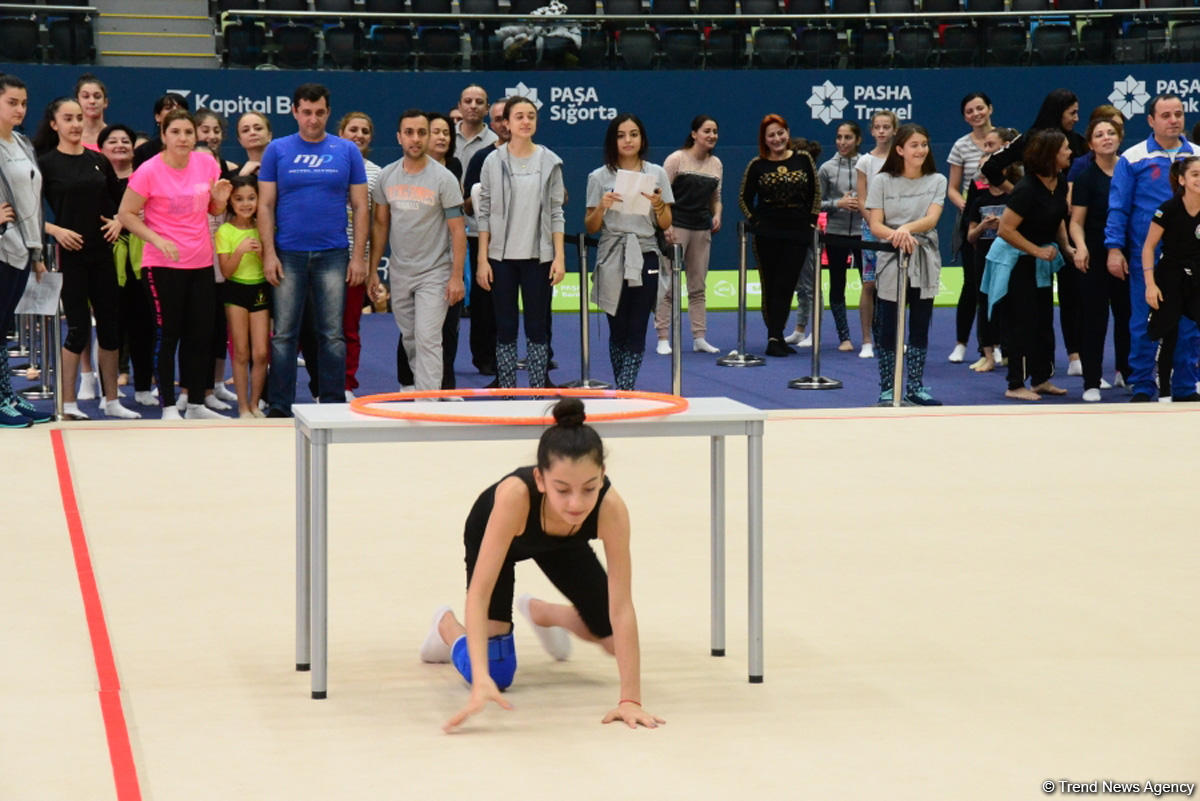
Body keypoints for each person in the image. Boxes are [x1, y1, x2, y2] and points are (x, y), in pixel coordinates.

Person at [421, 397, 665, 733]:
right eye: (562, 489)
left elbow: (621, 607)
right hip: (501, 536)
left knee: (609, 637)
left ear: (602, 476)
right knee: (497, 674)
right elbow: (479, 594)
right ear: (540, 479)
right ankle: (446, 627)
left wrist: (630, 700)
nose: (576, 503)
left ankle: (544, 614)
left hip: (563, 541)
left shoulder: (611, 508)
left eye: (589, 488)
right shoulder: (514, 497)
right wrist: (480, 679)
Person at [258, 83, 368, 417]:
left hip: (333, 253)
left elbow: (362, 206)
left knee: (332, 334)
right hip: (288, 252)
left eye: (319, 112)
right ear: (294, 112)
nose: (313, 119)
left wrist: (359, 256)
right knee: (284, 335)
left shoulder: (347, 151)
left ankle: (332, 402)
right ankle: (279, 404)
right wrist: (268, 253)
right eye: (306, 112)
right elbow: (265, 205)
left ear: (328, 112)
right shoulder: (277, 150)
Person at [117, 109, 233, 420]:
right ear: (164, 136)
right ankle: (169, 405)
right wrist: (156, 240)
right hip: (162, 264)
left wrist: (220, 201)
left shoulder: (207, 163)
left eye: (188, 132)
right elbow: (126, 214)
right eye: (176, 132)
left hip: (200, 262)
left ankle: (195, 403)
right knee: (168, 335)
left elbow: (212, 208)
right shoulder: (149, 170)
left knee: (201, 334)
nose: (183, 138)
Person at [34, 97, 139, 420]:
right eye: (68, 119)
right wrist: (55, 230)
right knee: (78, 329)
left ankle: (111, 400)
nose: (76, 124)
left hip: (103, 254)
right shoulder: (46, 163)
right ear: (55, 125)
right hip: (70, 256)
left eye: (79, 118)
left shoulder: (99, 160)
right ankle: (67, 404)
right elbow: (30, 211)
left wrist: (119, 221)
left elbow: (120, 202)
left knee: (109, 327)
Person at [1104, 92, 1200, 402]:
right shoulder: (1132, 158)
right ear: (1151, 120)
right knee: (1145, 319)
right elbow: (1118, 207)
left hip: (1191, 257)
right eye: (1166, 115)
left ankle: (1186, 385)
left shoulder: (1197, 157)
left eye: (1179, 114)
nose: (1174, 120)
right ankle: (1143, 385)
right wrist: (1114, 248)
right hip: (1148, 255)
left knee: (1190, 322)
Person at [368, 109, 466, 393]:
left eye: (422, 132)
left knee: (428, 337)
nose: (416, 139)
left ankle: (428, 401)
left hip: (435, 272)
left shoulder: (444, 178)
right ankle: (421, 388)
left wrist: (456, 276)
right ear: (399, 137)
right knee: (410, 337)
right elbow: (380, 226)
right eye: (409, 133)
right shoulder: (387, 177)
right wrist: (374, 270)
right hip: (400, 271)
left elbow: (458, 230)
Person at [476, 96, 565, 389]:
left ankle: (540, 381)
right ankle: (505, 382)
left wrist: (559, 257)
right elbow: (484, 212)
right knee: (505, 325)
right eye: (519, 116)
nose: (526, 121)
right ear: (507, 123)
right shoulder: (492, 160)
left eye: (531, 116)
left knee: (538, 325)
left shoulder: (550, 161)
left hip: (538, 257)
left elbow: (556, 211)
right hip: (500, 258)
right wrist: (482, 260)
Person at [584, 113, 673, 390]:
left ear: (642, 138)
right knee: (617, 327)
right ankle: (623, 385)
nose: (628, 140)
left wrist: (658, 204)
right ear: (613, 140)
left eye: (633, 134)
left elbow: (667, 221)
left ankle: (625, 388)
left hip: (646, 252)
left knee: (638, 326)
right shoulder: (598, 176)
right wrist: (602, 206)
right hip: (612, 254)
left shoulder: (656, 173)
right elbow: (591, 226)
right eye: (621, 135)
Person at [988, 129, 1074, 401]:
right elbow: (1005, 230)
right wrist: (1036, 250)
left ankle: (1040, 379)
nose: (1070, 152)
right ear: (1051, 156)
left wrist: (1067, 247)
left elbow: (1058, 217)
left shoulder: (1059, 182)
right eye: (1065, 149)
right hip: (1015, 261)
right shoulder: (1026, 189)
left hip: (1040, 260)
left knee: (1043, 321)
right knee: (1021, 323)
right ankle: (1015, 384)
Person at [866, 123, 946, 406]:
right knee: (889, 326)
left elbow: (932, 219)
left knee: (920, 325)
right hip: (891, 258)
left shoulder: (937, 179)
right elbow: (876, 224)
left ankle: (915, 386)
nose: (921, 150)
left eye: (924, 144)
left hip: (924, 258)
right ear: (900, 149)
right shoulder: (882, 181)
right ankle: (888, 388)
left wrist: (906, 229)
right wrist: (897, 236)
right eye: (914, 145)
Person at [738, 113, 819, 357]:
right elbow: (743, 198)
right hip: (767, 235)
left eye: (780, 133)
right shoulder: (757, 164)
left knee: (787, 284)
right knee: (770, 285)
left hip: (798, 232)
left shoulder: (803, 159)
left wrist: (812, 223)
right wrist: (756, 221)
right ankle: (774, 336)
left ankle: (777, 334)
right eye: (771, 135)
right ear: (764, 139)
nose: (777, 138)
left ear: (788, 132)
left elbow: (816, 193)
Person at [0, 75, 52, 428]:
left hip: (22, 247)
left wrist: (36, 251)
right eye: (12, 102)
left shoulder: (22, 143)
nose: (20, 109)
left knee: (3, 328)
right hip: (1, 244)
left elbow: (33, 199)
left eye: (23, 103)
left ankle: (7, 396)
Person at [1069, 117, 1132, 401]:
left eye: (1111, 133)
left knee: (1128, 316)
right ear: (1091, 143)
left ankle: (1126, 372)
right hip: (1094, 253)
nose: (1106, 137)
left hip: (1128, 253)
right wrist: (1080, 247)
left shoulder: (1131, 171)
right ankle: (1092, 381)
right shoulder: (1085, 178)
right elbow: (1076, 222)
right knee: (1094, 318)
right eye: (1099, 134)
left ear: (1119, 138)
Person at [99, 122, 157, 405]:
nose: (120, 145)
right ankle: (107, 391)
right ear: (101, 148)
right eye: (113, 141)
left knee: (143, 326)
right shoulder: (96, 179)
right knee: (110, 328)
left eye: (125, 140)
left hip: (143, 261)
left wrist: (124, 221)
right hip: (107, 262)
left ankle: (144, 387)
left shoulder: (145, 179)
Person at [657, 114, 722, 355]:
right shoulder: (676, 159)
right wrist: (666, 226)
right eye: (707, 131)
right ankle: (663, 337)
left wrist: (717, 214)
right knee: (668, 285)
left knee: (698, 286)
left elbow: (716, 198)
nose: (712, 135)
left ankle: (699, 337)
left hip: (701, 229)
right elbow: (659, 196)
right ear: (694, 134)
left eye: (715, 131)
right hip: (676, 227)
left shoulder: (717, 164)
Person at [963, 126, 1020, 374]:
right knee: (984, 303)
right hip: (983, 258)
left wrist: (1004, 227)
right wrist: (984, 226)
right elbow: (970, 235)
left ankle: (1010, 352)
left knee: (1009, 305)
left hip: (1010, 257)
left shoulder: (1015, 196)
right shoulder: (978, 200)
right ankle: (987, 354)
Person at [336, 110, 383, 400]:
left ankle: (346, 383)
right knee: (318, 329)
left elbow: (378, 223)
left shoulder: (377, 173)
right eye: (353, 129)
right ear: (341, 133)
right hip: (324, 256)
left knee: (349, 328)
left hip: (356, 262)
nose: (359, 135)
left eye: (364, 131)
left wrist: (369, 264)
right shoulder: (327, 164)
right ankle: (323, 384)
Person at [947, 92, 995, 363]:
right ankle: (961, 343)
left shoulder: (1006, 139)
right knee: (971, 284)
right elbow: (952, 189)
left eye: (980, 108)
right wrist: (969, 208)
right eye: (969, 111)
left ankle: (996, 344)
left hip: (1003, 223)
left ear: (990, 109)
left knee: (999, 285)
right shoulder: (960, 146)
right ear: (965, 117)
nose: (976, 114)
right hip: (973, 222)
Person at [462, 99, 509, 379]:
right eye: (499, 119)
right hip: (486, 239)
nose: (504, 124)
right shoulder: (482, 157)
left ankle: (537, 354)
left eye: (509, 117)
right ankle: (484, 357)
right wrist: (480, 195)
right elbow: (467, 204)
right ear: (491, 125)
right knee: (484, 303)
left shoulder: (539, 156)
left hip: (524, 240)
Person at [215, 175, 269, 418]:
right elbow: (226, 271)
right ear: (230, 203)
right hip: (235, 290)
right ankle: (243, 406)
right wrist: (239, 251)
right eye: (239, 199)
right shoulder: (225, 230)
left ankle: (256, 403)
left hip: (259, 290)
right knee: (241, 351)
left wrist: (260, 255)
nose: (246, 204)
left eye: (251, 198)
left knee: (260, 352)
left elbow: (270, 267)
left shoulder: (264, 228)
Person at [852, 109, 898, 359]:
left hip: (897, 228)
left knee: (895, 285)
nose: (881, 131)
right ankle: (867, 341)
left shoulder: (901, 158)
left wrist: (892, 227)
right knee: (869, 284)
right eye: (877, 127)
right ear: (871, 131)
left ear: (894, 130)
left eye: (886, 127)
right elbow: (861, 198)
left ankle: (893, 337)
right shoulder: (865, 162)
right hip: (871, 228)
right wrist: (875, 223)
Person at [1143, 156, 1200, 351]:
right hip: (1170, 274)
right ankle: (1163, 379)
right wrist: (1150, 285)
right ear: (1182, 179)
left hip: (1196, 274)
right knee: (1167, 333)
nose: (1199, 179)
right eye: (1195, 174)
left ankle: (1191, 379)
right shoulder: (1167, 210)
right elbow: (1148, 247)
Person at [817, 120, 864, 352]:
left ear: (858, 140)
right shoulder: (826, 168)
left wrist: (862, 205)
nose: (842, 142)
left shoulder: (867, 165)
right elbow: (816, 203)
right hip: (835, 232)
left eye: (848, 137)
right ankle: (844, 337)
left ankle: (871, 335)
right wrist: (839, 203)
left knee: (870, 284)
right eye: (839, 137)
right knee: (838, 284)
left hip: (864, 233)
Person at [132, 92, 189, 169]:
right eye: (168, 108)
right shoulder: (143, 152)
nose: (175, 111)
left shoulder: (195, 149)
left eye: (180, 108)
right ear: (157, 117)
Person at [194, 108, 239, 176]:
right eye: (205, 131)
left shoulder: (232, 169)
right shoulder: (182, 167)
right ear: (193, 134)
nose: (212, 136)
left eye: (216, 131)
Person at [74, 73, 109, 152]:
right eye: (86, 96)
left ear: (105, 102)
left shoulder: (113, 136)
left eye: (97, 97)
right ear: (77, 102)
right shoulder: (69, 137)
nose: (92, 101)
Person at [235, 111, 271, 176]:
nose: (252, 133)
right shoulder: (233, 176)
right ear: (240, 140)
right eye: (245, 130)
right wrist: (242, 177)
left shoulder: (285, 168)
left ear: (269, 135)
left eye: (258, 128)